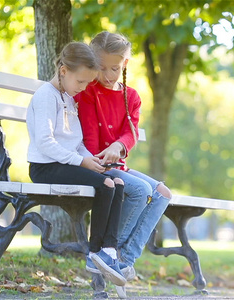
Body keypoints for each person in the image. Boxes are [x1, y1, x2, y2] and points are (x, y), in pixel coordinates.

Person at [26, 41, 126, 287]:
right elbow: (45, 142)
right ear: (63, 71)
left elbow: (76, 142)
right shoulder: (46, 96)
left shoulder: (68, 98)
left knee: (118, 182)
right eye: (80, 82)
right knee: (106, 184)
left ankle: (109, 252)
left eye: (86, 83)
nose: (82, 88)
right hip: (45, 167)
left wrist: (90, 159)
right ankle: (94, 255)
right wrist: (81, 161)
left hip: (67, 164)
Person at [76, 31, 172, 281]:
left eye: (114, 69)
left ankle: (123, 259)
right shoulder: (88, 93)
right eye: (101, 68)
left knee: (163, 193)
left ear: (125, 64)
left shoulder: (132, 97)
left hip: (117, 165)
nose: (108, 76)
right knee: (141, 190)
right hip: (96, 165)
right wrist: (104, 155)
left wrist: (119, 146)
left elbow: (130, 134)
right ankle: (105, 256)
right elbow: (89, 140)